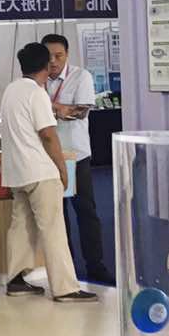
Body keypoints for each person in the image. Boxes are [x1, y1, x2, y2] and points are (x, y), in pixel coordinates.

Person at [0, 43, 97, 304]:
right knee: (53, 228)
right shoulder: (37, 93)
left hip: (17, 171)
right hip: (40, 171)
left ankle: (16, 279)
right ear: (45, 66)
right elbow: (48, 135)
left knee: (20, 226)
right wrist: (62, 169)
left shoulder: (11, 90)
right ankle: (65, 288)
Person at [43, 33, 114, 285]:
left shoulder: (80, 76)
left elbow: (81, 112)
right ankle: (66, 266)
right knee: (56, 214)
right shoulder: (37, 79)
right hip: (47, 155)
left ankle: (95, 265)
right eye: (48, 56)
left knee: (85, 211)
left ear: (67, 55)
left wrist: (51, 107)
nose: (53, 61)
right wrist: (60, 109)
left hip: (75, 155)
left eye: (58, 55)